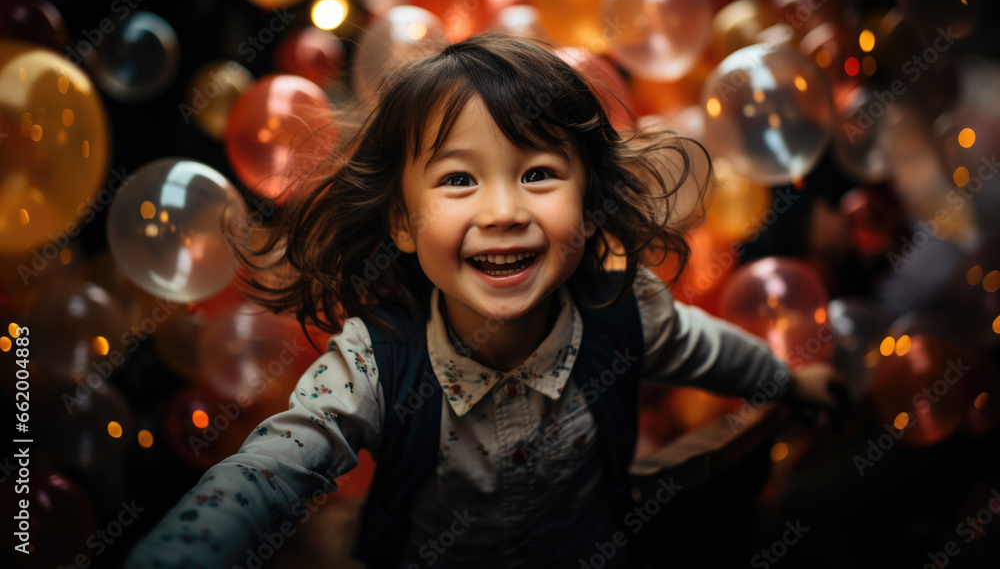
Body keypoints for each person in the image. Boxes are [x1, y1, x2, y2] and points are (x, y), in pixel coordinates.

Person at [126, 33, 846, 569]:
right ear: (403, 222)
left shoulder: (623, 306)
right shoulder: (378, 356)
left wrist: (788, 379)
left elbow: (705, 347)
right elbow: (273, 465)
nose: (502, 210)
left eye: (537, 172)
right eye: (458, 180)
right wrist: (185, 551)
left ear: (590, 202)